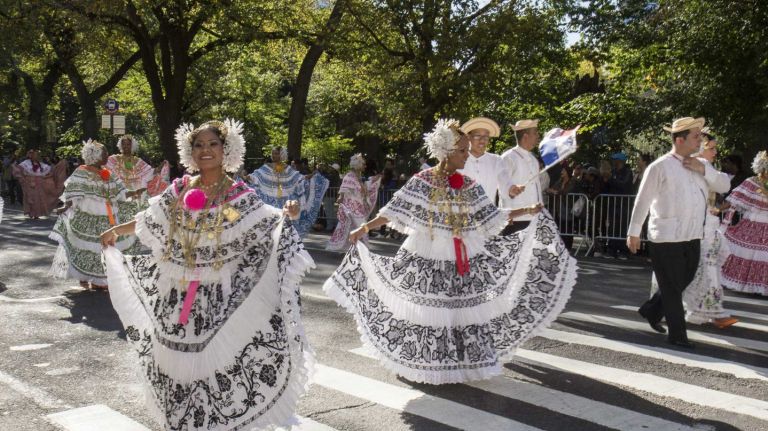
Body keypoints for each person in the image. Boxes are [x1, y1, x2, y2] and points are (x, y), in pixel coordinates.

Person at [322, 119, 576, 384]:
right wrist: (363, 228)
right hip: (428, 255)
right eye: (463, 151)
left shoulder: (467, 183)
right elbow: (396, 210)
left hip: (462, 255)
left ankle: (457, 361)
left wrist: (526, 209)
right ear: (446, 153)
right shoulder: (423, 180)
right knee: (431, 311)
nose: (468, 155)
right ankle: (427, 361)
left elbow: (490, 214)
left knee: (460, 311)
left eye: (467, 150)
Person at [100, 119, 314, 430]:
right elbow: (152, 217)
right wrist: (117, 231)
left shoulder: (233, 194)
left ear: (226, 150)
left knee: (214, 366)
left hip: (218, 295)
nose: (205, 150)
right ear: (191, 152)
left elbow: (252, 222)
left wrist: (287, 214)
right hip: (175, 294)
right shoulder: (182, 188)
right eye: (199, 145)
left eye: (213, 144)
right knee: (174, 365)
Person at [628, 117, 730, 348]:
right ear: (680, 139)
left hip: (693, 235)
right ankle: (677, 335)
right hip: (666, 236)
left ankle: (652, 310)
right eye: (696, 136)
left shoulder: (701, 164)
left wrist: (703, 169)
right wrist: (633, 232)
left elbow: (724, 185)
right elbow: (642, 201)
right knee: (672, 286)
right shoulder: (660, 166)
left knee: (685, 278)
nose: (700, 141)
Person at [651, 132, 738, 327]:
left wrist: (704, 170)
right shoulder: (679, 164)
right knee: (685, 272)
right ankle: (660, 308)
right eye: (711, 148)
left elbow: (724, 184)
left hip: (705, 227)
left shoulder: (705, 167)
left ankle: (713, 312)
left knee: (706, 268)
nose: (715, 152)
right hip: (689, 228)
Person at [49, 140, 135, 290]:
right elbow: (73, 194)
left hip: (108, 218)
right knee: (90, 247)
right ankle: (87, 277)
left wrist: (138, 193)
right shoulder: (82, 171)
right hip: (89, 217)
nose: (107, 155)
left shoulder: (107, 173)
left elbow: (120, 191)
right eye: (105, 153)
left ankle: (99, 280)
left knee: (105, 247)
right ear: (95, 155)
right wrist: (65, 206)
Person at [249, 146, 329, 237]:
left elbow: (298, 178)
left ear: (282, 155)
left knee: (285, 224)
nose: (274, 155)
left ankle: (284, 240)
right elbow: (256, 176)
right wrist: (246, 177)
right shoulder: (266, 167)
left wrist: (310, 175)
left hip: (283, 200)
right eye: (273, 153)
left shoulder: (287, 168)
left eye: (276, 153)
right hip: (270, 199)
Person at [106, 135, 168, 252]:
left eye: (128, 144)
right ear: (120, 145)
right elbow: (104, 167)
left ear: (132, 145)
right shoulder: (114, 159)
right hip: (120, 193)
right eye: (123, 144)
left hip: (136, 195)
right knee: (120, 215)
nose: (126, 146)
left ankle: (135, 241)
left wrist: (161, 166)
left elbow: (150, 173)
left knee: (134, 216)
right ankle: (120, 240)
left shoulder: (138, 161)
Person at [720, 151, 768, 296]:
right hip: (752, 224)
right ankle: (747, 284)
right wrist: (717, 209)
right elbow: (733, 200)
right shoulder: (752, 182)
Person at [327, 154, 382, 250]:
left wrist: (373, 180)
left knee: (356, 227)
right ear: (358, 165)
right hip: (350, 207)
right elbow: (344, 190)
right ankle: (359, 248)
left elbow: (363, 189)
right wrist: (341, 199)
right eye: (363, 164)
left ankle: (355, 248)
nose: (365, 166)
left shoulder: (358, 177)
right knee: (357, 226)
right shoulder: (349, 176)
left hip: (358, 207)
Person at [499, 119, 544, 234]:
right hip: (516, 220)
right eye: (535, 133)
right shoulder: (508, 157)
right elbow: (502, 188)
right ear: (525, 136)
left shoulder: (534, 159)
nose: (538, 136)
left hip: (534, 218)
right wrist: (508, 217)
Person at [457, 117, 506, 203]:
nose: (482, 140)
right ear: (468, 137)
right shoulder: (458, 160)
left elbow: (505, 180)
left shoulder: (496, 160)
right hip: (463, 214)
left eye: (486, 137)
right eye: (477, 136)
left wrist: (511, 188)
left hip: (489, 214)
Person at [13, 149, 66, 219]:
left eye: (38, 155)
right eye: (36, 154)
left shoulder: (40, 164)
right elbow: (20, 170)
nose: (37, 156)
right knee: (32, 198)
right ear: (31, 155)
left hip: (40, 184)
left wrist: (59, 166)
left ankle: (36, 214)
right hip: (30, 184)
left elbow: (49, 170)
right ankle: (32, 213)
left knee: (38, 198)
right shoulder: (26, 163)